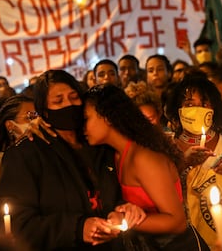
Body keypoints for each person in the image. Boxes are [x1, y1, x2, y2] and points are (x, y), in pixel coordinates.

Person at [0, 70, 144, 250]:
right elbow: (19, 224)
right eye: (58, 101)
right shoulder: (25, 154)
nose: (69, 105)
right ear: (44, 111)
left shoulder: (97, 143)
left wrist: (122, 210)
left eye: (74, 97)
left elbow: (115, 192)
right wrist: (78, 228)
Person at [84, 84, 208, 250]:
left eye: (86, 119)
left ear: (106, 116)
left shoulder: (143, 158)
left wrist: (123, 221)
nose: (83, 128)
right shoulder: (117, 155)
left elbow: (177, 222)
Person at [164, 71, 222, 249]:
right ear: (178, 109)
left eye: (204, 103)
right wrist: (182, 164)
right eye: (189, 104)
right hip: (184, 241)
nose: (198, 109)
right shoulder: (166, 146)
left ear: (213, 108)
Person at [0, 95, 36, 212]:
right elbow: (5, 214)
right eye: (30, 117)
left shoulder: (52, 153)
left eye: (39, 116)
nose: (36, 122)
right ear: (10, 125)